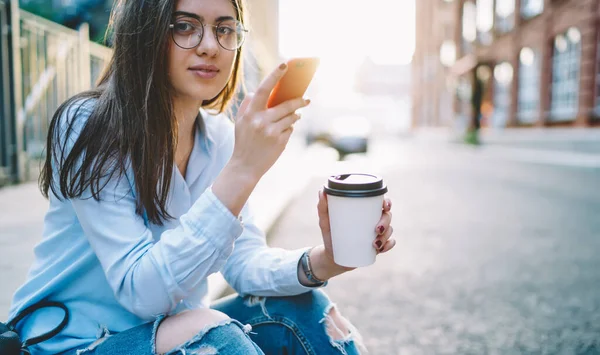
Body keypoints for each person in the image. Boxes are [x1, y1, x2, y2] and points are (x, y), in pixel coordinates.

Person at [8, 0, 396, 354]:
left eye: (224, 29)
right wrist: (243, 170)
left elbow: (244, 264)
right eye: (184, 26)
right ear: (147, 31)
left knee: (307, 309)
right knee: (214, 336)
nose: (209, 45)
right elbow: (140, 292)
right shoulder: (88, 125)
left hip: (167, 333)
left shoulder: (220, 137)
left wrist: (326, 260)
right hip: (71, 343)